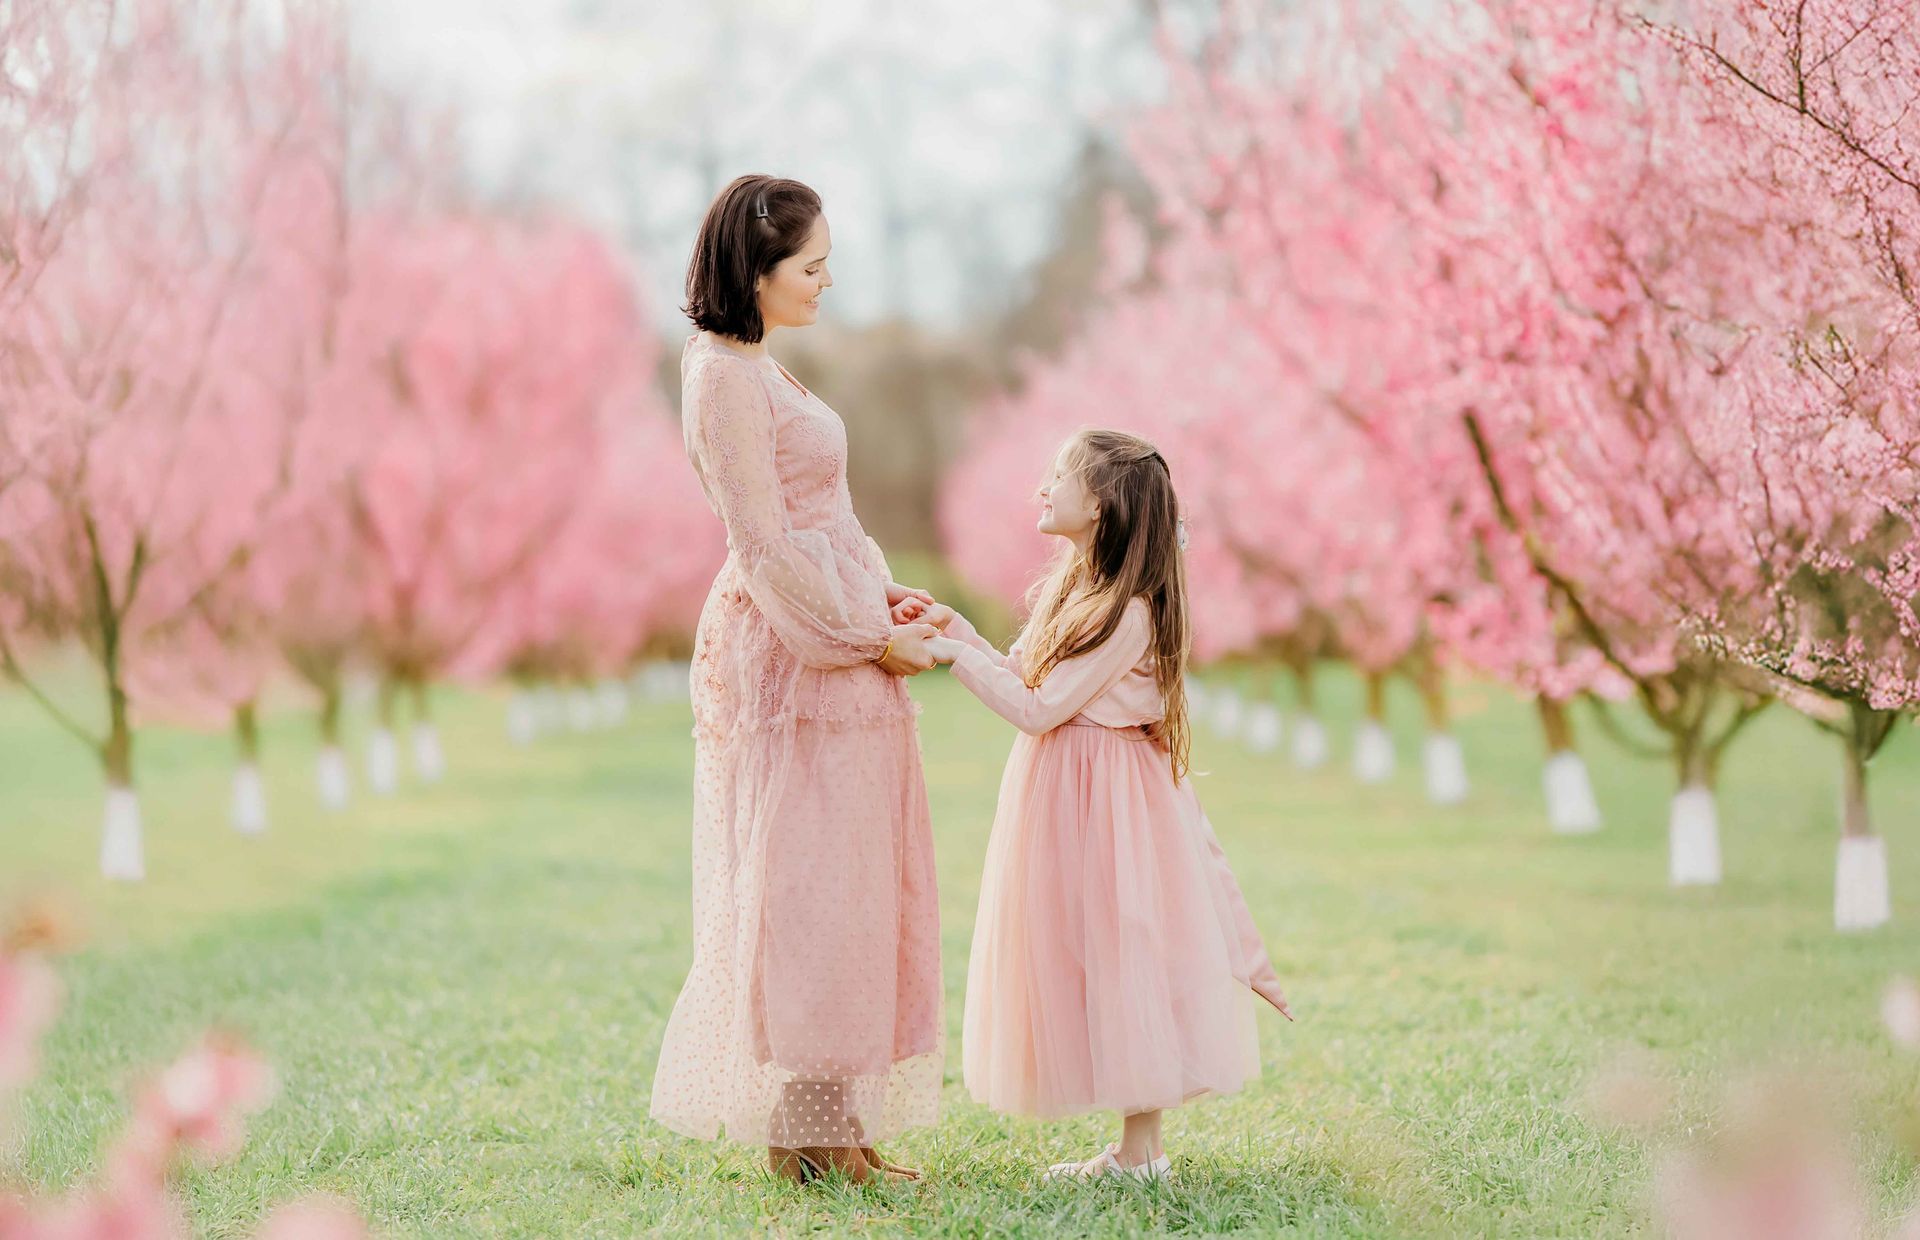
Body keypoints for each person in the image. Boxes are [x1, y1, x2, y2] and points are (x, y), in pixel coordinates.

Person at [649, 174, 945, 1185]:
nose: (827, 283)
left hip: (839, 631)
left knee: (850, 880)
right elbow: (766, 544)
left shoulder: (760, 367)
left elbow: (829, 516)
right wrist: (865, 637)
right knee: (810, 887)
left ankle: (836, 1123)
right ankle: (803, 1130)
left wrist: (888, 597)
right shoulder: (721, 377)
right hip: (796, 651)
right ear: (756, 270)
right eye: (810, 267)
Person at [920, 427, 1294, 1181]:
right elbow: (1026, 680)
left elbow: (1038, 709)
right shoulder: (1079, 589)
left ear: (1101, 504)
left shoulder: (1130, 614)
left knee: (1128, 948)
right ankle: (1135, 1150)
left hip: (1114, 803)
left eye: (1058, 476)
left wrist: (952, 657)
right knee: (1080, 947)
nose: (1042, 487)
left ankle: (1141, 1152)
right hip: (1067, 796)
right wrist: (954, 628)